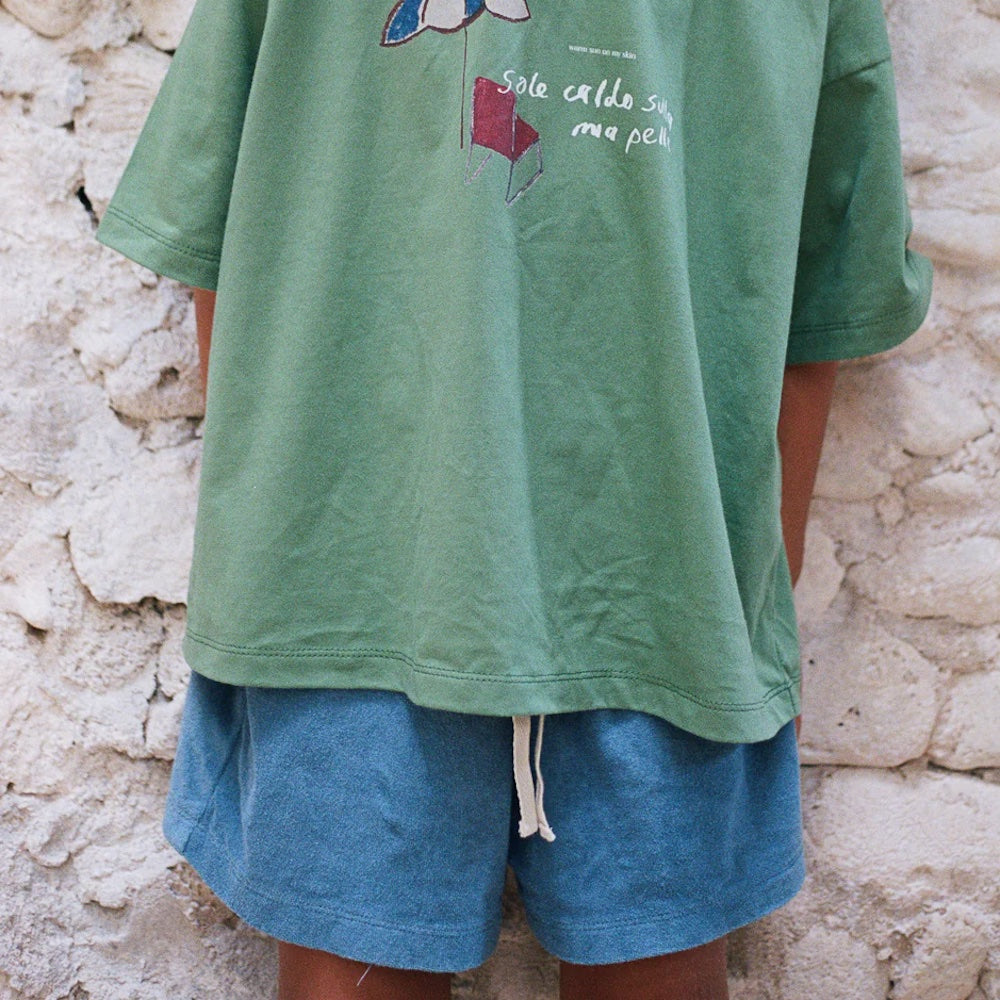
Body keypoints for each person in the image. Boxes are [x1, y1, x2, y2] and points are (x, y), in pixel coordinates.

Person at [95, 0, 932, 995]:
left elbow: (821, 309)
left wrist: (743, 616)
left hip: (607, 605)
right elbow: (820, 319)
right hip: (393, 601)